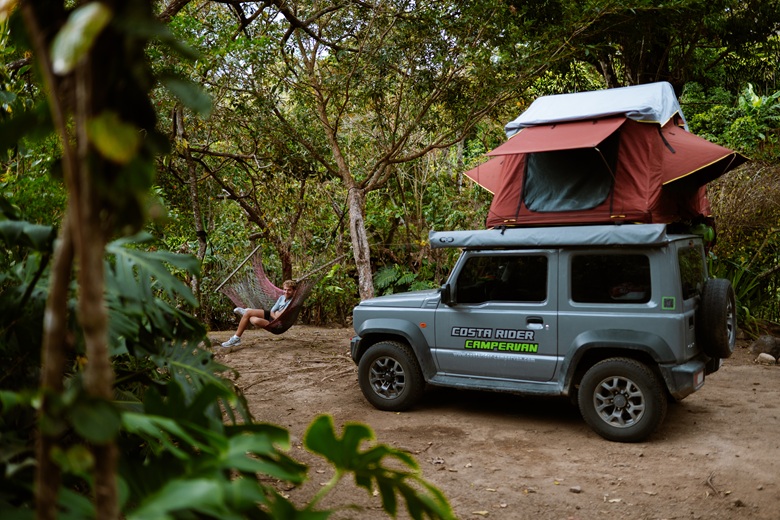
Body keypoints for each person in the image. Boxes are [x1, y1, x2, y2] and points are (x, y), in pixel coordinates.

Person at [221, 279, 297, 347]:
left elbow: (281, 317)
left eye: (289, 290)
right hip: (273, 318)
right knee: (249, 316)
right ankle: (236, 338)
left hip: (278, 324)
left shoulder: (293, 303)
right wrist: (276, 314)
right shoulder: (282, 297)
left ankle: (248, 311)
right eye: (284, 289)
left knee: (255, 320)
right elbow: (272, 311)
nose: (286, 292)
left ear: (294, 291)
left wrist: (276, 315)